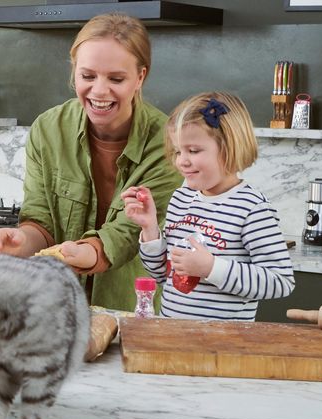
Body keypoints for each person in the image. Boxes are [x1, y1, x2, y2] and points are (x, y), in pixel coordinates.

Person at [0, 14, 183, 311]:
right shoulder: (48, 129)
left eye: (116, 79)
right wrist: (21, 241)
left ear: (140, 77)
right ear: (74, 72)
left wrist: (85, 253)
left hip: (131, 310)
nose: (99, 91)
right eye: (88, 76)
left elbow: (130, 232)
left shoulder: (168, 141)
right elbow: (41, 219)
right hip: (56, 309)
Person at [122, 91, 295, 320]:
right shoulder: (181, 199)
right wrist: (150, 229)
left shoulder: (251, 208)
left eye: (193, 150)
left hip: (223, 347)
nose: (182, 160)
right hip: (172, 338)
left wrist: (211, 268)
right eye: (177, 151)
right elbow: (161, 274)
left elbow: (280, 281)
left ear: (229, 147)